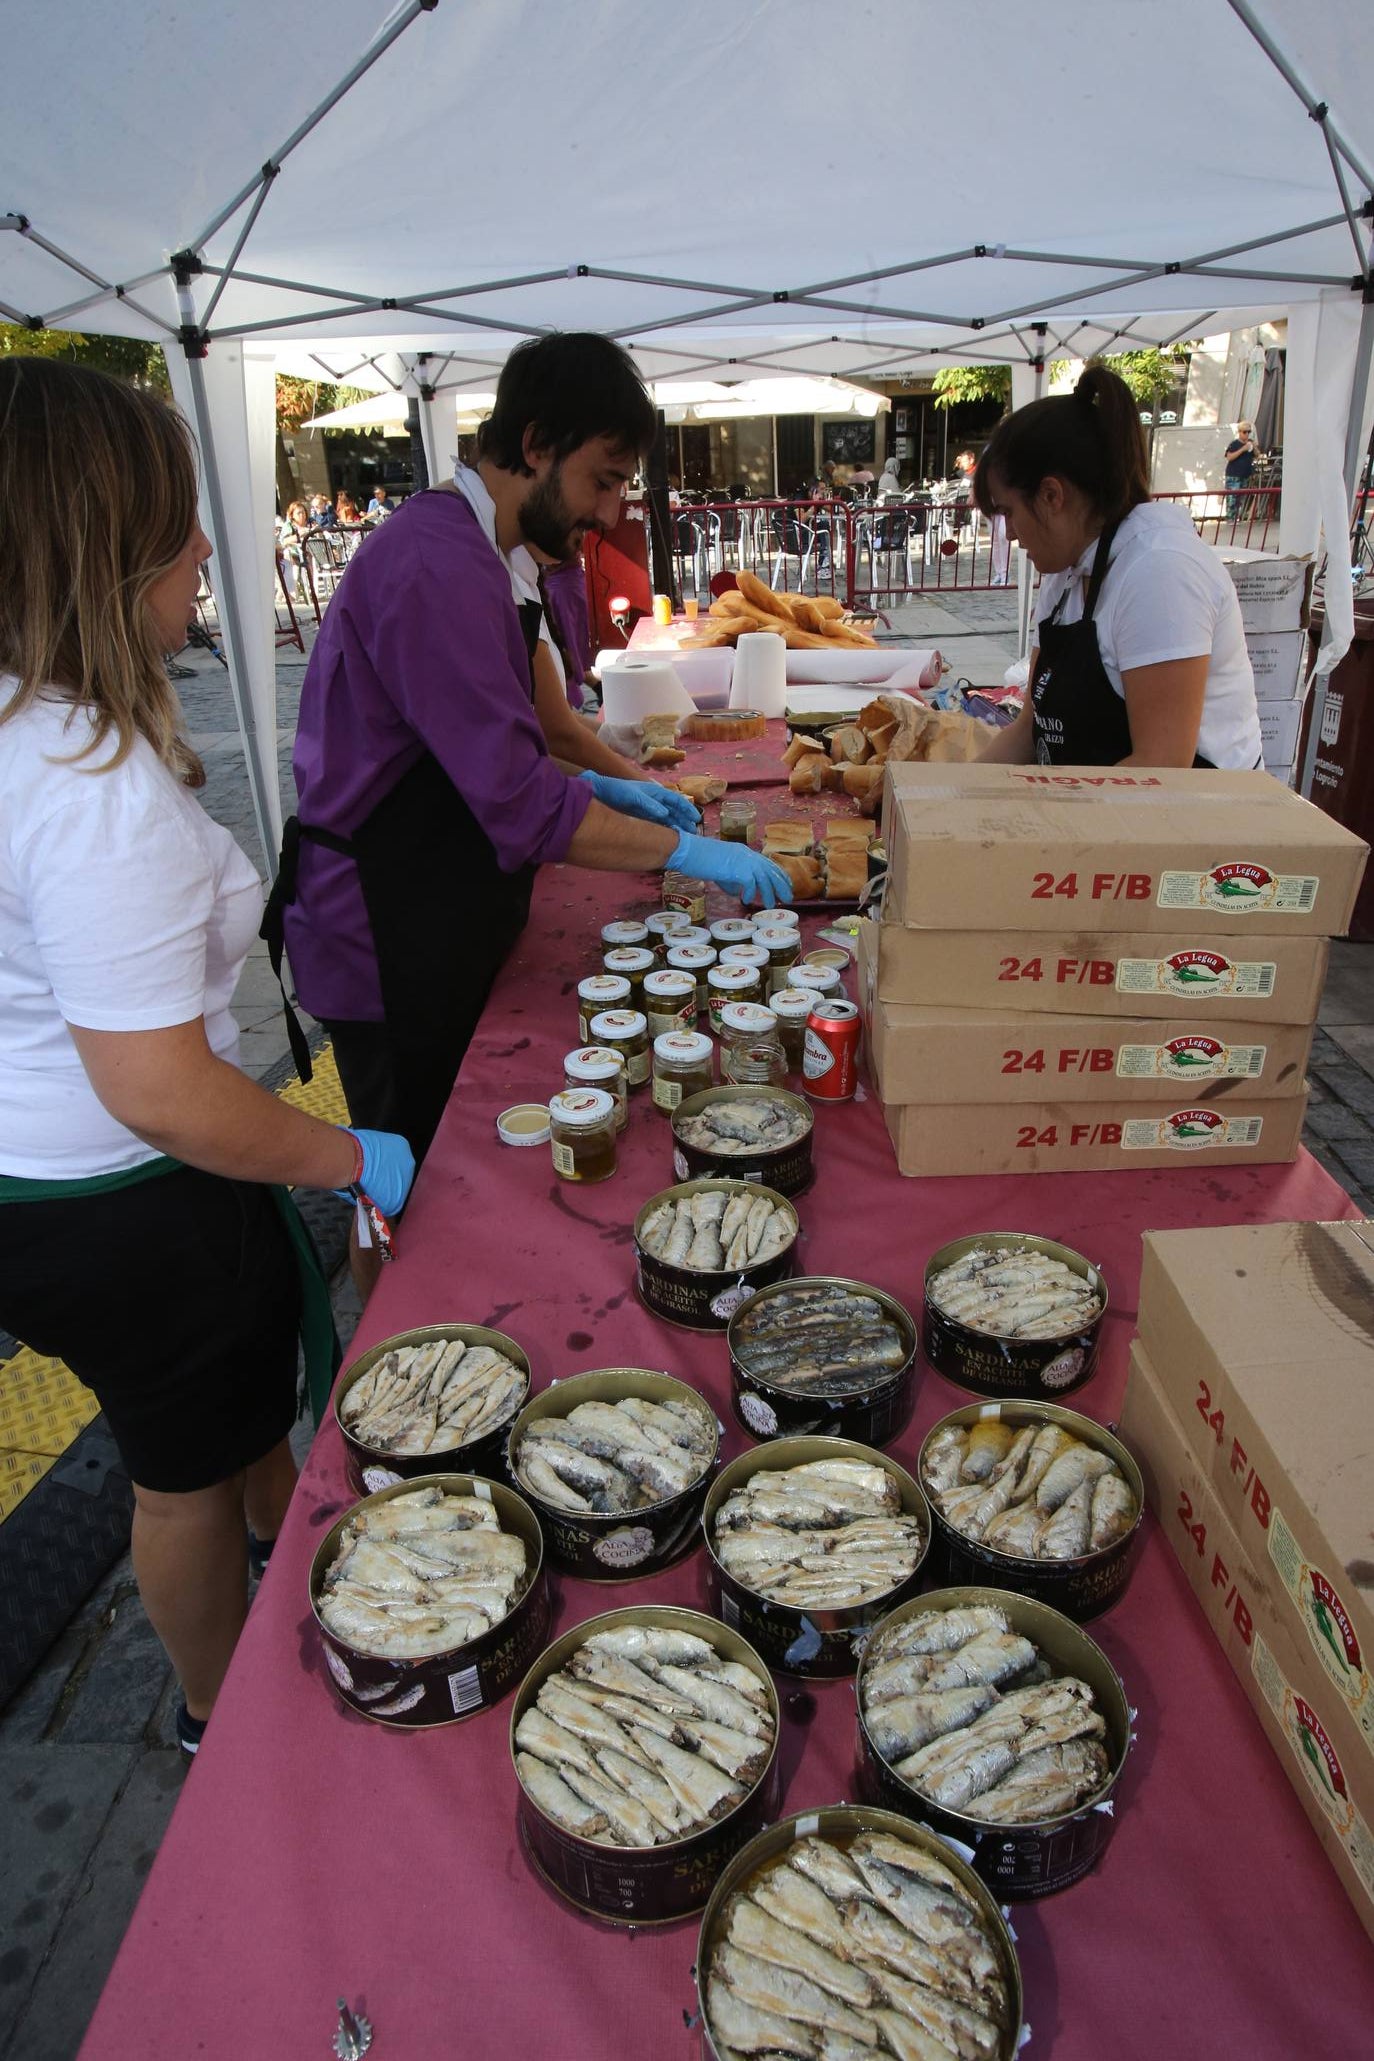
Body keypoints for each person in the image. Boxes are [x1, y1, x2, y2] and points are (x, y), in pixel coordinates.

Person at [0, 357, 416, 1757]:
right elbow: (162, 1088)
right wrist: (347, 1151)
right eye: (178, 520)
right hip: (126, 1198)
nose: (200, 549)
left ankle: (272, 1542)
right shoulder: (78, 776)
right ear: (103, 545)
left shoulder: (24, 731)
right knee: (174, 1474)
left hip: (46, 1180)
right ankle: (216, 1722)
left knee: (229, 1421)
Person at [268, 332, 789, 1254]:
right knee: (402, 1196)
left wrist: (597, 782)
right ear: (537, 442)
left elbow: (485, 748)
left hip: (436, 898)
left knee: (453, 1181)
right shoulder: (436, 564)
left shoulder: (483, 549)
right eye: (603, 478)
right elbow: (515, 802)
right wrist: (686, 850)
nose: (611, 508)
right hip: (383, 933)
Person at [973, 364, 1262, 769]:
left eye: (1008, 512)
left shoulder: (1159, 573)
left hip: (1188, 823)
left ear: (1052, 496)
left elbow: (1159, 768)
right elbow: (1027, 731)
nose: (1010, 536)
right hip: (1096, 816)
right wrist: (936, 800)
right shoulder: (1068, 573)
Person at [1223, 421, 1257, 522]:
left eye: (1248, 432)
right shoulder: (1234, 444)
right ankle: (1230, 518)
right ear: (1239, 432)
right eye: (1244, 432)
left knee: (1241, 498)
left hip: (1245, 475)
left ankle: (1237, 517)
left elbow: (1256, 455)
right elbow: (1229, 457)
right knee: (1232, 498)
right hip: (1234, 475)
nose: (1246, 434)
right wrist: (1243, 449)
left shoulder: (1249, 444)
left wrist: (1254, 448)